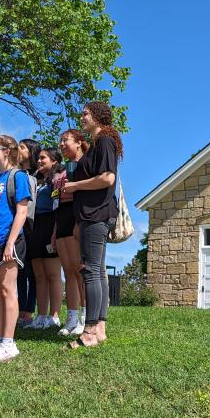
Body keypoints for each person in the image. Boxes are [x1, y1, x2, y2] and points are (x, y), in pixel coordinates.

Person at [63, 101, 122, 349]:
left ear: (98, 117)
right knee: (96, 271)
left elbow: (108, 178)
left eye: (86, 113)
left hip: (97, 215)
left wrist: (74, 186)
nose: (82, 116)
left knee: (91, 271)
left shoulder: (105, 141)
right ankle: (99, 330)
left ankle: (89, 331)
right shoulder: (97, 144)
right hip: (91, 215)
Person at [0, 135, 32, 363]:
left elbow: (21, 211)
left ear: (7, 150)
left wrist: (10, 242)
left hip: (7, 241)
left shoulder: (17, 176)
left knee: (8, 290)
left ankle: (9, 343)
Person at [25, 147, 63, 330]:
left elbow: (58, 206)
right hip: (36, 225)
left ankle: (54, 315)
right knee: (39, 274)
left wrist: (55, 232)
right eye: (38, 158)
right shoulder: (37, 181)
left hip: (50, 223)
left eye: (43, 158)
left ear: (54, 161)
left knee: (53, 273)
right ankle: (40, 316)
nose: (39, 161)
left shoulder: (58, 178)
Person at [56, 130, 88, 336]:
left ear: (78, 143)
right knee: (68, 271)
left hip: (78, 216)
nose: (61, 144)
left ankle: (86, 318)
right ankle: (72, 317)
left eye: (65, 140)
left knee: (80, 270)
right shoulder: (64, 168)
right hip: (62, 217)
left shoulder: (85, 164)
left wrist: (80, 222)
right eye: (60, 141)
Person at [16, 138, 40, 328]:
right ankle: (19, 309)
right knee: (20, 271)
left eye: (22, 147)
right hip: (18, 226)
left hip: (35, 226)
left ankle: (29, 310)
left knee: (33, 272)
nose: (18, 149)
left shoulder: (39, 175)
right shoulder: (15, 173)